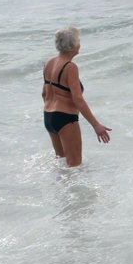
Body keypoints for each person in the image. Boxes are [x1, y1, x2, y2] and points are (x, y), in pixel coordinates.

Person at [41, 27, 111, 167]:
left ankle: (59, 189)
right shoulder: (70, 67)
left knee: (61, 163)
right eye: (78, 41)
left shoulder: (49, 62)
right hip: (65, 119)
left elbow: (44, 92)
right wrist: (96, 125)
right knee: (74, 165)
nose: (80, 44)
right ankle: (76, 190)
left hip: (49, 117)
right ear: (72, 46)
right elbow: (77, 99)